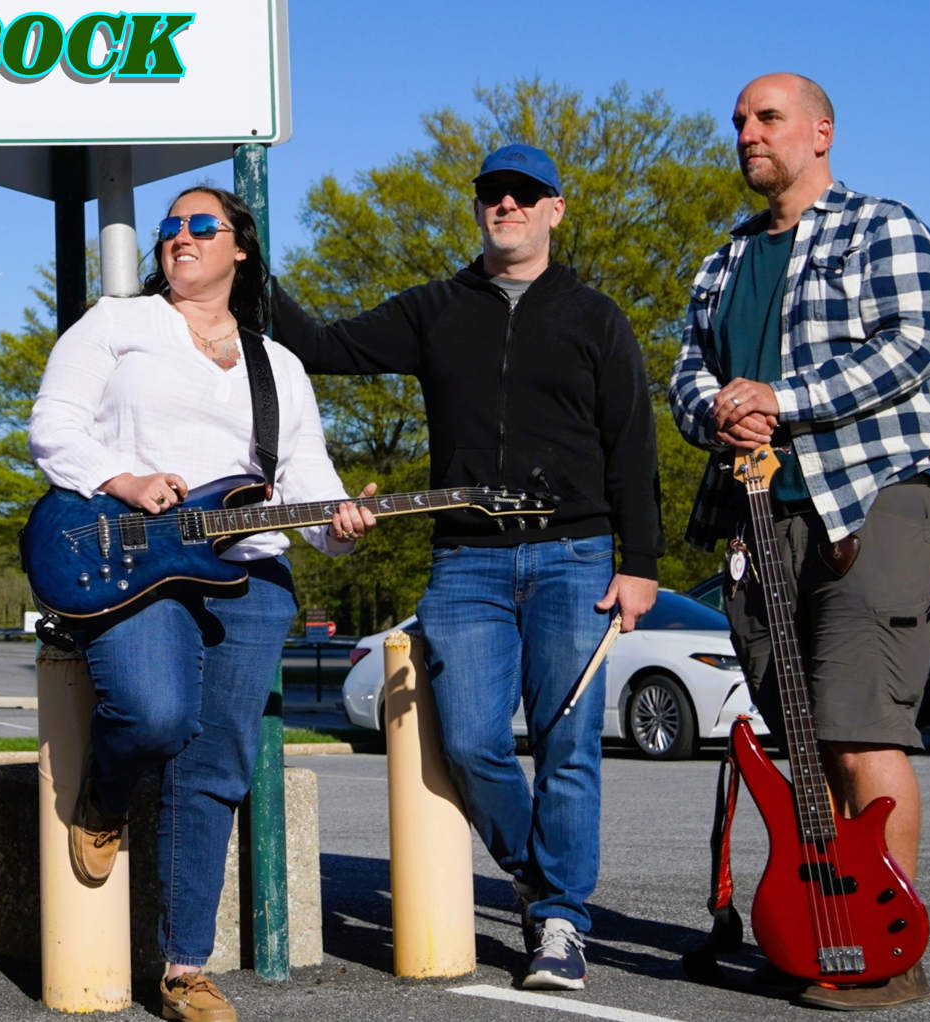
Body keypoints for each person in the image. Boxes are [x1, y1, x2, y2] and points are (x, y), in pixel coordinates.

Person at [269, 143, 663, 992]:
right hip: (467, 565)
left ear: (555, 209)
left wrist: (643, 563)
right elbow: (318, 345)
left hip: (576, 556)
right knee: (477, 742)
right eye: (493, 193)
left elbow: (633, 443)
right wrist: (245, 250)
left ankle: (560, 924)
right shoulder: (436, 309)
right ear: (480, 208)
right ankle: (541, 880)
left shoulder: (596, 318)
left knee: (566, 746)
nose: (507, 205)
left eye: (525, 194)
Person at [28, 186, 376, 1022]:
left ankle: (185, 968)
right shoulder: (118, 325)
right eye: (170, 228)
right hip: (135, 555)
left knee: (215, 764)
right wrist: (125, 479)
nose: (180, 238)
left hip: (250, 577)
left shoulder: (275, 364)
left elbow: (306, 482)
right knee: (152, 713)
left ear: (240, 249)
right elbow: (52, 424)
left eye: (200, 226)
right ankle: (104, 801)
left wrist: (344, 525)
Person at [669, 73, 930, 1011]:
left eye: (768, 117)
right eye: (740, 121)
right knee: (801, 739)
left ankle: (887, 955)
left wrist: (783, 401)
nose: (748, 132)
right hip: (758, 518)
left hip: (872, 501)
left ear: (821, 132)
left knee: (862, 724)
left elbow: (911, 344)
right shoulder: (722, 261)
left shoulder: (880, 227)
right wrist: (718, 413)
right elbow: (685, 379)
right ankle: (829, 929)